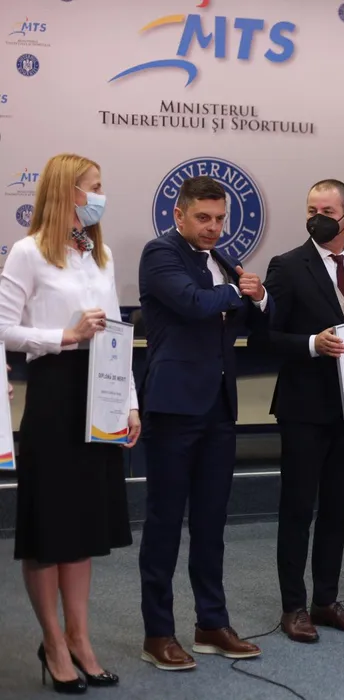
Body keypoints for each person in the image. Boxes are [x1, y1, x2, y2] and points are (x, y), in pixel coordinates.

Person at [0, 153, 139, 692]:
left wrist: (129, 403)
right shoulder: (29, 252)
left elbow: (118, 332)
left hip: (100, 388)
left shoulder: (100, 254)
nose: (101, 196)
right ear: (68, 192)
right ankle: (54, 643)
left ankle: (81, 639)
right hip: (55, 391)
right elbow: (4, 328)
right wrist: (65, 335)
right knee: (49, 526)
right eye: (93, 186)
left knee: (82, 525)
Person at [255, 179, 344, 642]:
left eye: (327, 211)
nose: (317, 218)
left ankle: (326, 600)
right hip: (303, 407)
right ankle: (293, 607)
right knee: (298, 509)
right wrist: (311, 345)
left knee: (338, 508)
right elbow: (264, 338)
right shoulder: (286, 266)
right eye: (311, 210)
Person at [137, 176, 270, 670]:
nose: (213, 227)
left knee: (212, 523)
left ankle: (211, 623)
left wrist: (259, 296)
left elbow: (253, 319)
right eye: (203, 218)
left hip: (218, 408)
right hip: (173, 407)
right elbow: (195, 304)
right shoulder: (160, 253)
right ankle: (158, 633)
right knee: (164, 524)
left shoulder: (223, 261)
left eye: (219, 219)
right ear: (179, 215)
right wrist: (237, 290)